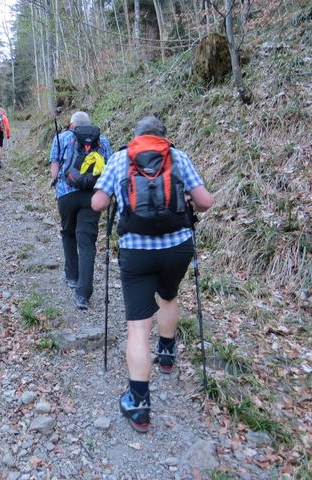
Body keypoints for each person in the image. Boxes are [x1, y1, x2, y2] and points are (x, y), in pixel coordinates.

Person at [91, 116, 214, 433]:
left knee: (137, 326)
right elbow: (205, 202)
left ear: (136, 136)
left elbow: (97, 203)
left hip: (136, 252)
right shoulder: (178, 156)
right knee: (169, 295)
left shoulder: (121, 158)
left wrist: (118, 194)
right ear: (163, 136)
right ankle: (168, 353)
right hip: (177, 248)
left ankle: (139, 403)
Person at [50, 111, 113, 310]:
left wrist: (55, 181)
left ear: (71, 124)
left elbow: (55, 167)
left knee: (68, 232)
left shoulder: (61, 138)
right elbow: (109, 169)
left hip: (67, 194)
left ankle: (71, 276)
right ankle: (83, 295)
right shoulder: (102, 141)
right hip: (93, 196)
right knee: (87, 242)